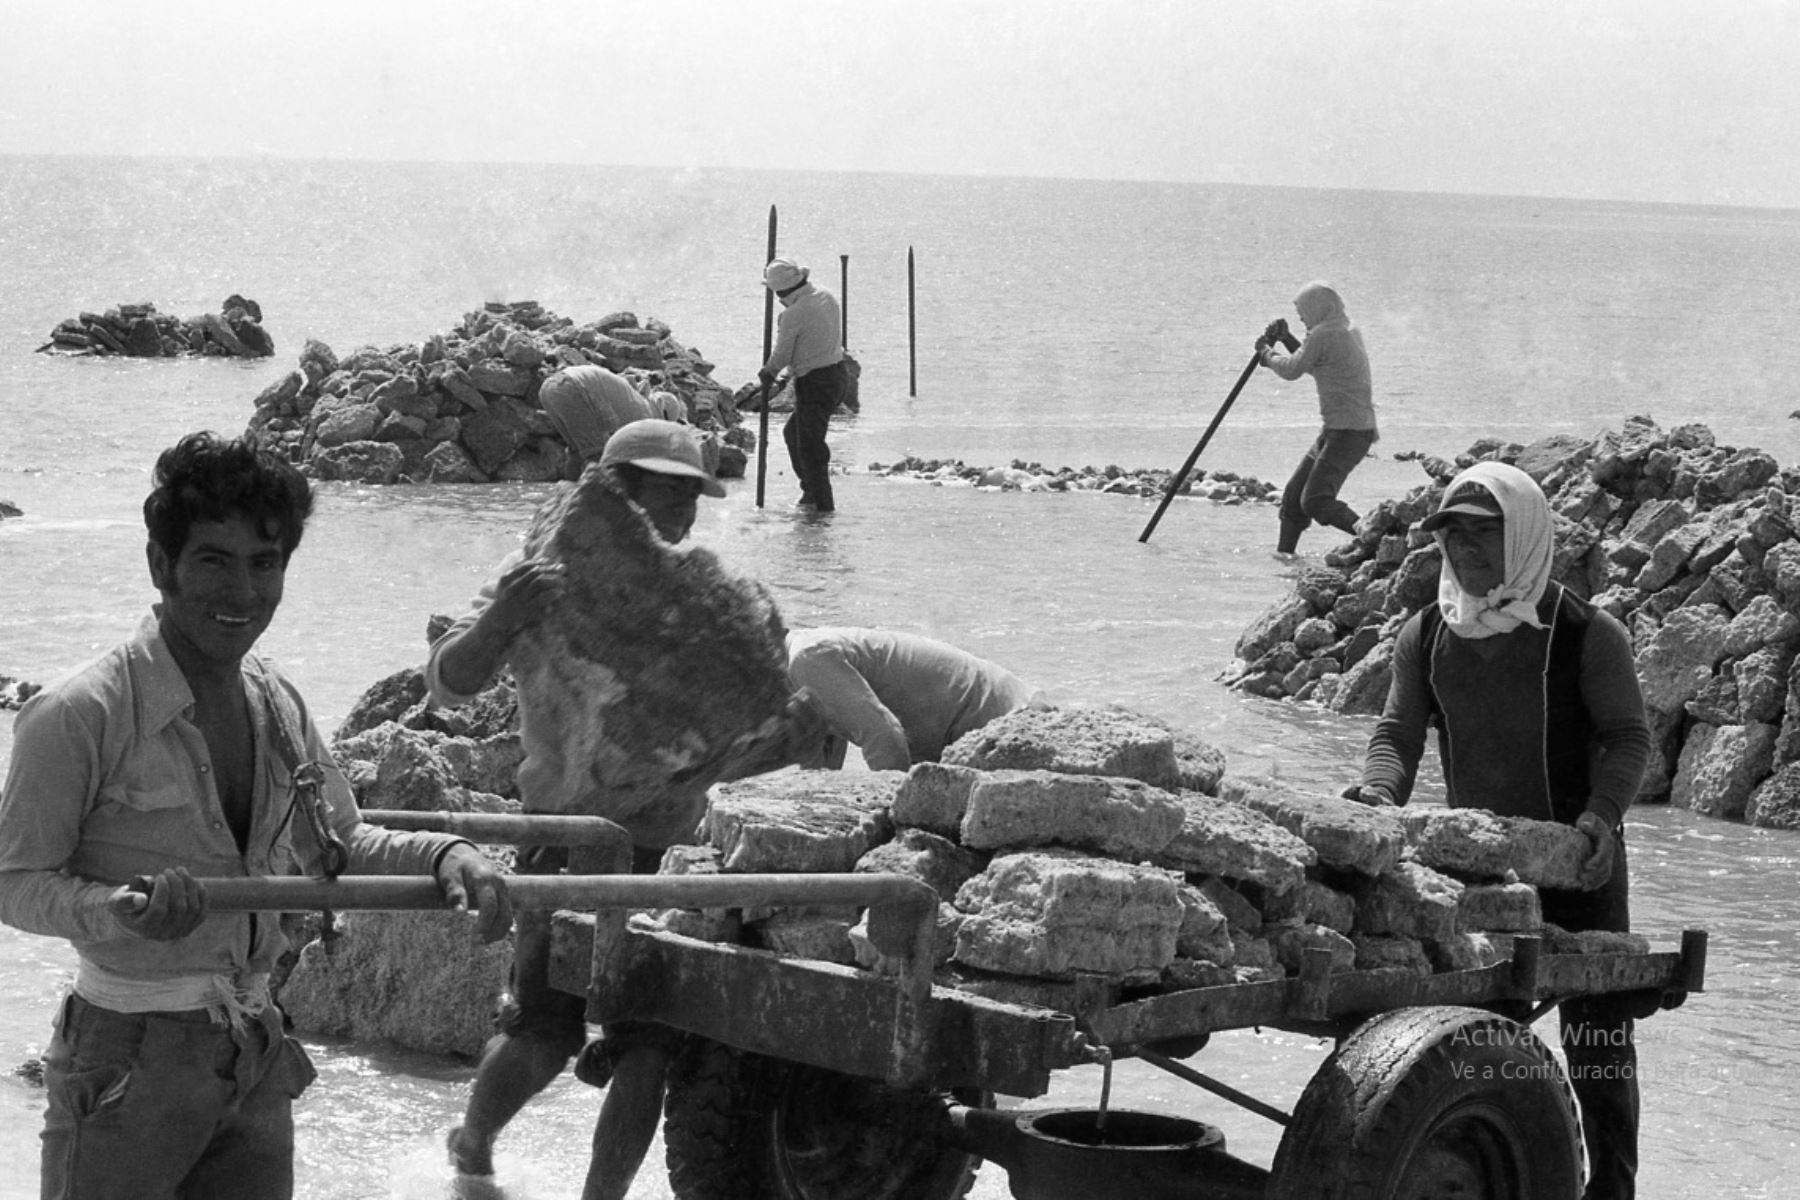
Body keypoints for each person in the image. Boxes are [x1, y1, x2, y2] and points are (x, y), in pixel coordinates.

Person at [0, 431, 511, 1200]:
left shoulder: (275, 702)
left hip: (254, 1050)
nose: (242, 593)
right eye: (213, 560)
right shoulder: (77, 715)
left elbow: (339, 841)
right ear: (160, 566)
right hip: (126, 1061)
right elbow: (13, 882)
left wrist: (449, 855)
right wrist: (113, 910)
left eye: (263, 564)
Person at [435, 418, 820, 1200]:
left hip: (666, 851)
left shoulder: (710, 598)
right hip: (566, 838)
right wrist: (504, 618)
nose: (679, 513)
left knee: (652, 1042)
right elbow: (449, 681)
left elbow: (761, 730)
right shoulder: (536, 573)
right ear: (614, 491)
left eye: (689, 496)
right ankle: (473, 1150)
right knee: (542, 1029)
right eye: (663, 492)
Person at [1346, 460, 1651, 1200]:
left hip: (1579, 869)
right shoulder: (1426, 633)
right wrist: (1377, 797)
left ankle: (1613, 1189)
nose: (1463, 552)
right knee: (1477, 1044)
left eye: (1482, 537)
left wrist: (1600, 818)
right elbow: (1397, 734)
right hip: (1486, 880)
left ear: (1522, 538)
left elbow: (1628, 738)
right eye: (1451, 537)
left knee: (1599, 1052)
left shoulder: (1585, 634)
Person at [787, 627, 1043, 771]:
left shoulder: (808, 658)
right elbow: (820, 778)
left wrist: (888, 823)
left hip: (1012, 727)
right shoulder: (804, 667)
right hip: (1006, 718)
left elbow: (884, 737)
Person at [1256, 280, 1377, 554]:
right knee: (1292, 499)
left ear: (1316, 309)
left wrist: (1266, 353)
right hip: (1341, 431)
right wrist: (1286, 339)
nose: (1304, 322)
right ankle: (1285, 559)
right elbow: (1314, 363)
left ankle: (1372, 536)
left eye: (1304, 317)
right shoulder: (1343, 328)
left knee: (1315, 501)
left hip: (1349, 433)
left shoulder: (1325, 334)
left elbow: (1292, 369)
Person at [758, 257, 848, 513]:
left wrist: (769, 371)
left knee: (811, 448)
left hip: (816, 382)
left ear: (782, 292)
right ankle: (810, 490)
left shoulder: (794, 314)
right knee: (793, 433)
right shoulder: (826, 297)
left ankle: (823, 508)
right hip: (837, 375)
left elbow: (783, 353)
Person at [537, 362, 657, 480]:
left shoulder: (633, 397)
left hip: (549, 387)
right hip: (572, 387)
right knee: (597, 455)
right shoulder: (645, 416)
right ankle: (589, 497)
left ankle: (566, 495)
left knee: (577, 454)